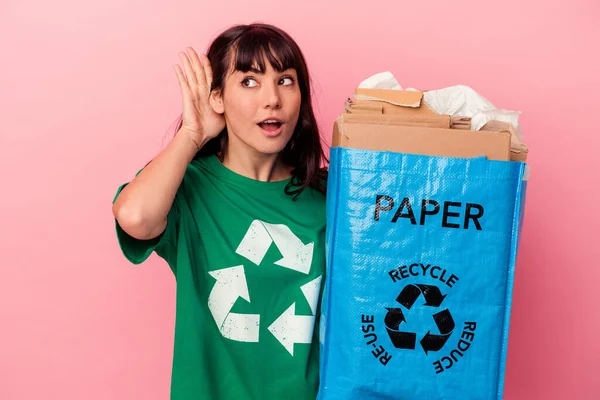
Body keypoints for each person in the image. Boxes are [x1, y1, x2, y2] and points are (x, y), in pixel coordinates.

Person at [112, 23, 328, 400]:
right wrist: (193, 133)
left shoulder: (328, 198)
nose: (272, 99)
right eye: (249, 81)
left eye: (286, 80)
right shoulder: (189, 187)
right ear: (218, 98)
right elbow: (135, 217)